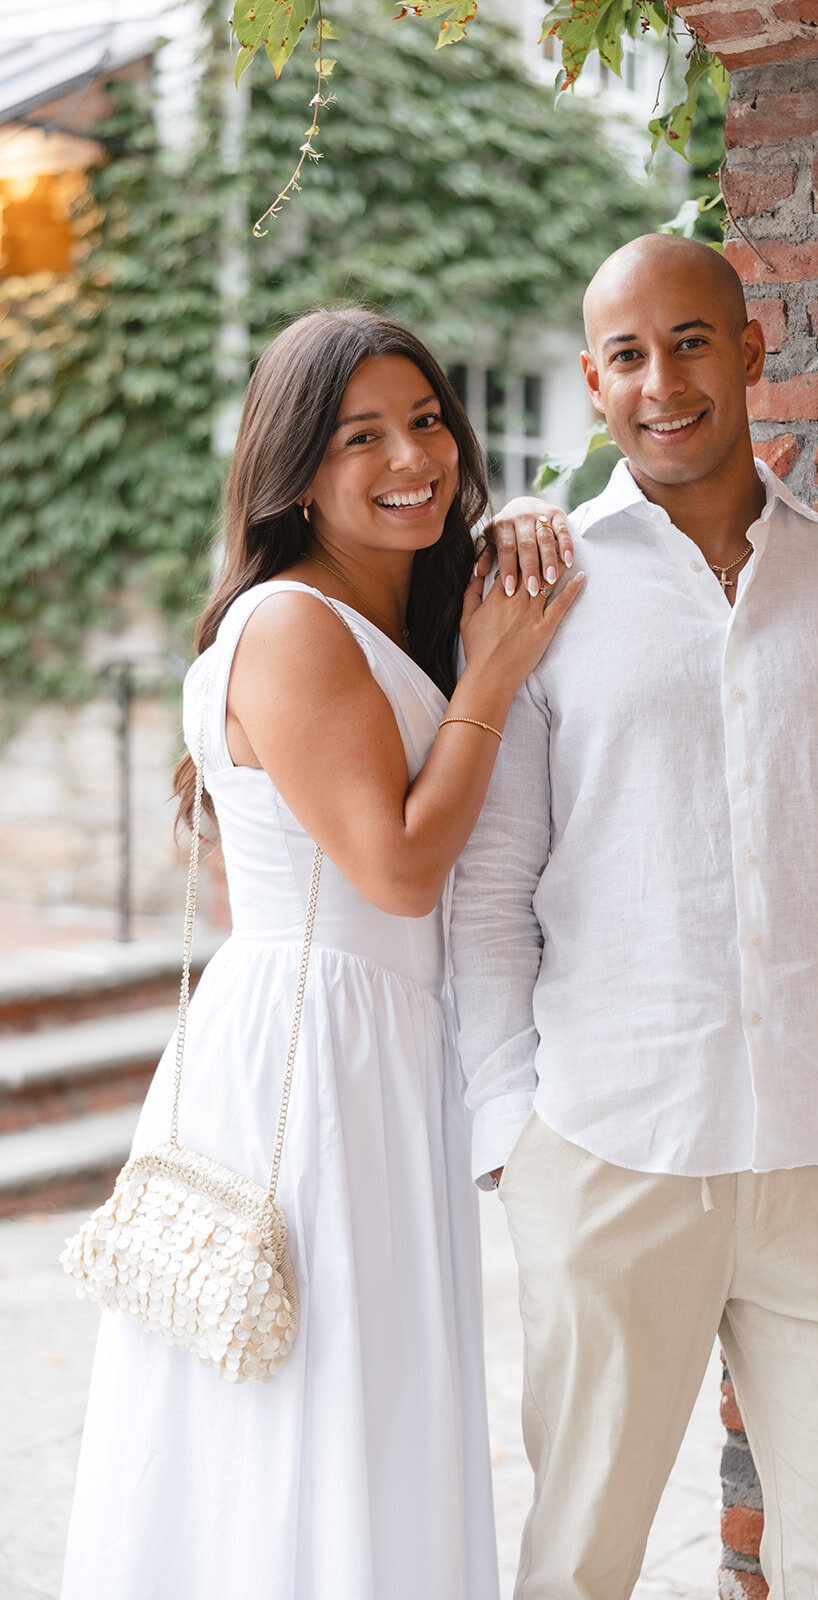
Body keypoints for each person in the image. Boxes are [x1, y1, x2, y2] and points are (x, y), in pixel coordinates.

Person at [451, 234, 818, 1600]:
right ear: (593, 382)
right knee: (577, 1561)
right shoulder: (540, 589)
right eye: (629, 356)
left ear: (752, 352)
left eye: (692, 342)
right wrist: (509, 1137)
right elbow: (489, 887)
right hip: (606, 1148)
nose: (664, 382)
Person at [61, 306, 582, 1600]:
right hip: (321, 1054)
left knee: (372, 1398)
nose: (413, 458)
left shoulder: (403, 606)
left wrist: (505, 563)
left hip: (389, 1041)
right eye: (362, 436)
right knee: (316, 1400)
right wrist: (492, 681)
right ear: (294, 468)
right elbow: (399, 869)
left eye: (427, 423)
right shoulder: (296, 624)